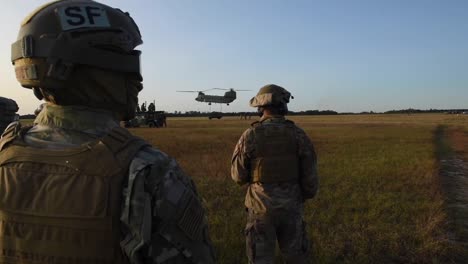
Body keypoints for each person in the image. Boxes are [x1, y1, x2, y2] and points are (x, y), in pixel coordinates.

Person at [0, 1, 215, 263]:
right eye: (127, 60)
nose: (138, 80)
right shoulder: (149, 171)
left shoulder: (4, 151)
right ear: (94, 65)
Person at [231, 84, 319, 264]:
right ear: (283, 106)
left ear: (260, 108)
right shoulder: (298, 135)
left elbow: (238, 176)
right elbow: (310, 180)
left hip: (260, 210)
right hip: (292, 209)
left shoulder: (250, 135)